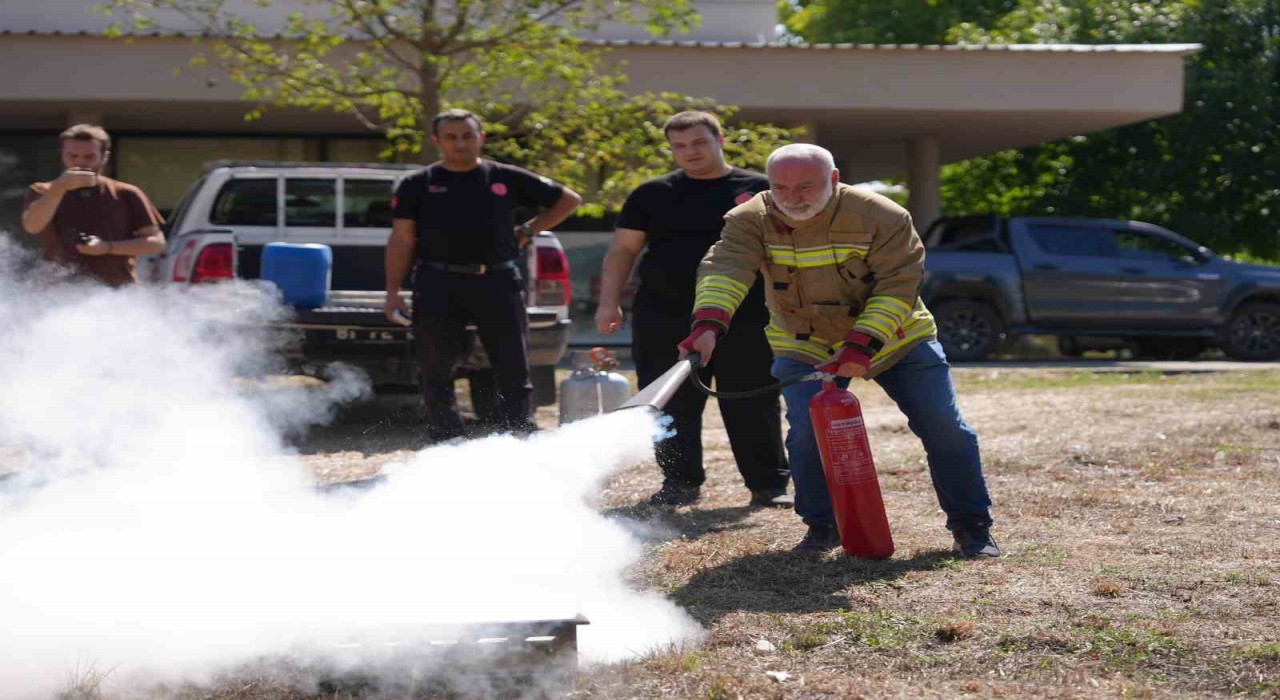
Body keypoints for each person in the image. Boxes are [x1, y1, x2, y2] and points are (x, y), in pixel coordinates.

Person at [680, 143, 999, 557]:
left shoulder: (882, 215)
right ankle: (821, 526)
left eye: (805, 186)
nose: (792, 198)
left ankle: (972, 526)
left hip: (897, 339)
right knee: (807, 436)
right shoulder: (749, 219)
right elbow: (726, 267)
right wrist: (708, 324)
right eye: (781, 188)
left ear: (834, 180)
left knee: (944, 428)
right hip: (804, 342)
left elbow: (897, 287)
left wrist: (860, 345)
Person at [596, 111, 790, 508]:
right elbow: (623, 251)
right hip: (664, 313)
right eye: (679, 146)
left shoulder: (759, 189)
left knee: (752, 400)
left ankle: (768, 486)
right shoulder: (651, 194)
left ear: (720, 139)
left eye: (699, 142)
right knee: (670, 402)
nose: (690, 152)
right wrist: (608, 301)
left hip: (745, 315)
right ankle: (679, 484)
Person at [385, 109, 582, 441]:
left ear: (481, 137)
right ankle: (447, 437)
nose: (460, 143)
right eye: (450, 137)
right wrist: (392, 291)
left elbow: (568, 200)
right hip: (437, 281)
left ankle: (518, 433)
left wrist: (529, 229)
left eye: (467, 135)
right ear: (437, 141)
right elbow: (402, 239)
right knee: (436, 365)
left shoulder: (506, 177)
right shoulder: (417, 184)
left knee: (512, 364)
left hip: (497, 280)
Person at [20, 124, 165, 286]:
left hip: (116, 291)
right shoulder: (42, 191)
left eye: (89, 157)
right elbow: (32, 226)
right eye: (72, 156)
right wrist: (60, 187)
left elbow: (156, 243)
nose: (80, 162)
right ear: (62, 155)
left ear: (105, 157)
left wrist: (107, 247)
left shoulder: (126, 193)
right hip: (57, 292)